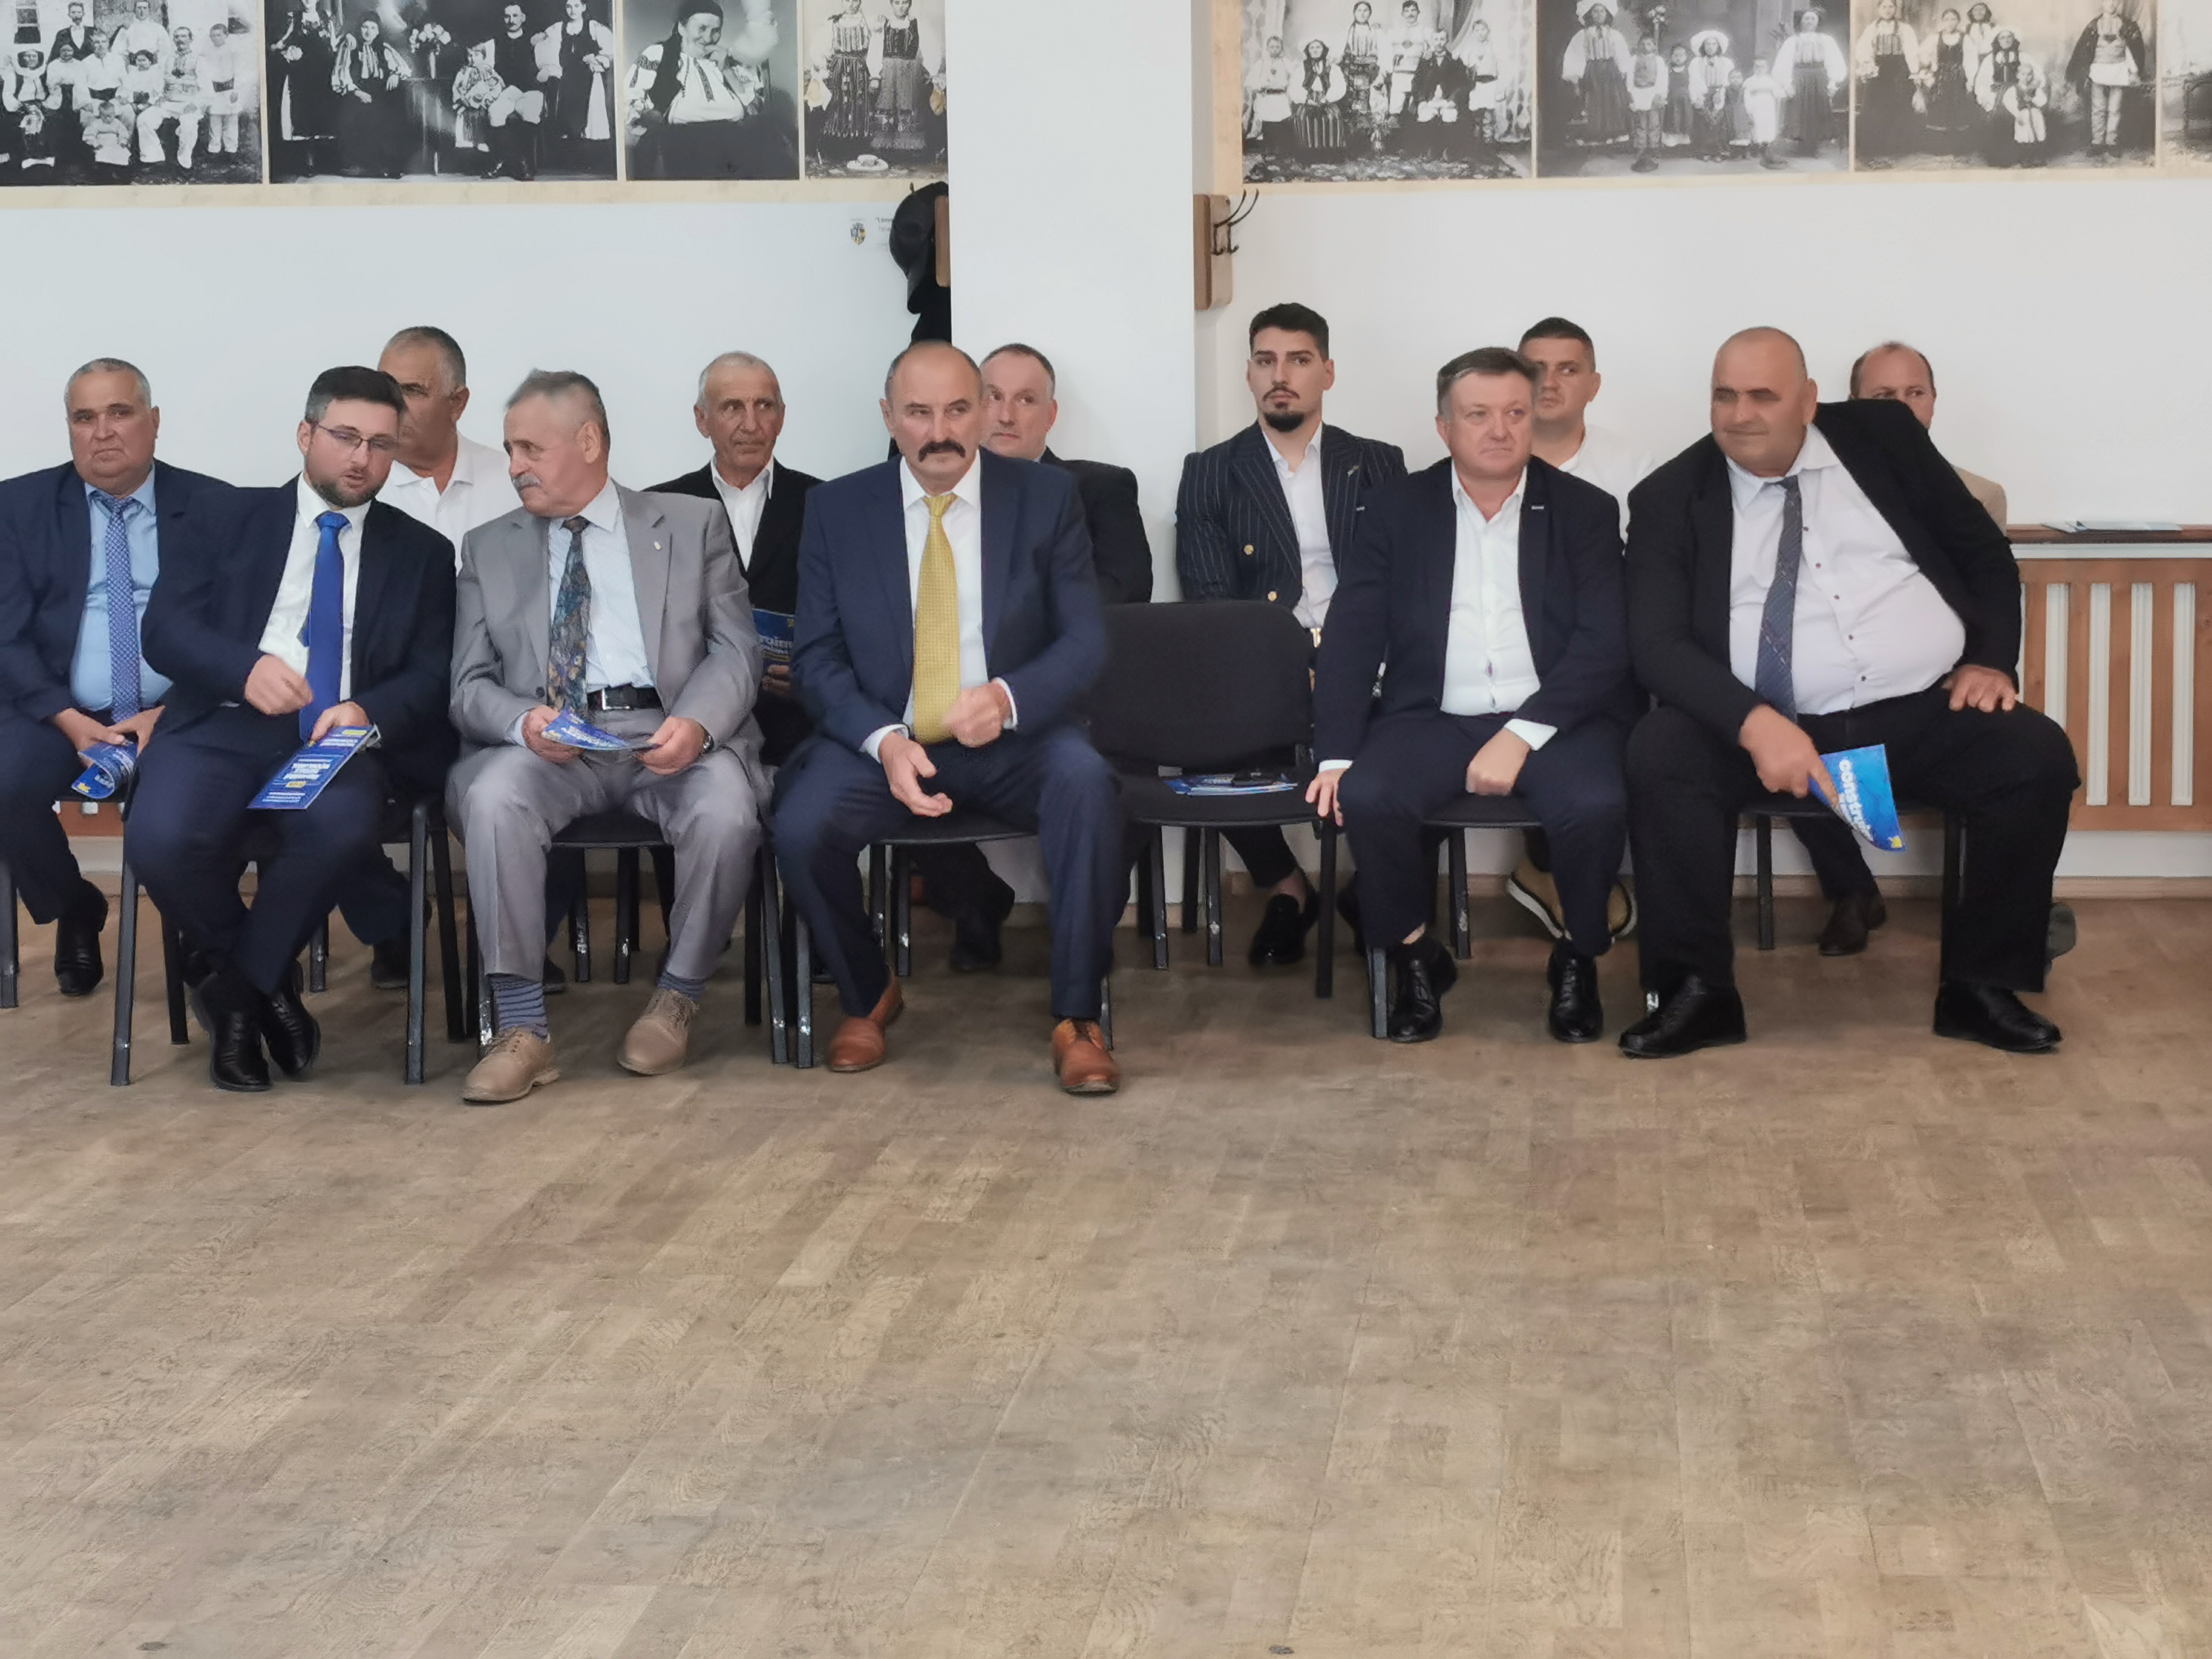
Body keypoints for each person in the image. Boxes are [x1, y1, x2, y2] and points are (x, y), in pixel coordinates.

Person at [1617, 327, 2078, 1059]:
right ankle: (1694, 993)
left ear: (1808, 400)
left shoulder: (1885, 439)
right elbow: (1656, 643)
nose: (1740, 415)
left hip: (1919, 710)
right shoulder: (1671, 495)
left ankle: (1982, 987)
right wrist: (1754, 722)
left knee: (2034, 755)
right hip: (1759, 726)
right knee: (1660, 752)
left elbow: (1982, 554)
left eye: (1763, 396)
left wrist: (1991, 660)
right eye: (1724, 395)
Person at [771, 341, 1122, 1094]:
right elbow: (818, 657)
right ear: (888, 417)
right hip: (885, 742)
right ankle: (868, 992)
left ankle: (1078, 1017)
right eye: (919, 413)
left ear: (984, 410)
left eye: (959, 410)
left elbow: (1085, 640)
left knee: (1088, 788)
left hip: (1012, 738)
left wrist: (1006, 698)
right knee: (800, 827)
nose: (940, 432)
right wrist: (883, 740)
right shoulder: (838, 510)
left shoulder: (1045, 497)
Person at [128, 366, 456, 1092]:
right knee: (159, 837)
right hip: (222, 722)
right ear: (306, 434)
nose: (361, 459)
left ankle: (235, 996)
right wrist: (243, 669)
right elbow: (166, 629)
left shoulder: (424, 553)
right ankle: (267, 984)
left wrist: (367, 710)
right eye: (345, 437)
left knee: (340, 828)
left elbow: (434, 674)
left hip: (334, 740)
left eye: (380, 444)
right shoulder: (224, 517)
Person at [448, 370, 766, 1103]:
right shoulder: (488, 547)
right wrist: (522, 722)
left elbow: (736, 650)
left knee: (727, 809)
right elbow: (467, 685)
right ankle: (521, 1028)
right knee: (494, 798)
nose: (514, 465)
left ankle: (678, 996)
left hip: (666, 732)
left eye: (529, 449)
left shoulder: (691, 524)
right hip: (552, 744)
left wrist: (697, 724)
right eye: (509, 449)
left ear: (589, 441)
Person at [1310, 347, 1634, 1045]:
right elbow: (1353, 635)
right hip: (1432, 715)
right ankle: (1416, 959)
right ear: (1444, 427)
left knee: (1595, 803)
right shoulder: (1396, 509)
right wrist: (1334, 754)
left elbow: (1605, 643)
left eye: (1515, 412)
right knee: (1369, 795)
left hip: (1554, 717)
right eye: (1478, 414)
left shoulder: (1585, 510)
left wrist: (1522, 733)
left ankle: (1578, 957)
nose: (1499, 429)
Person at [894, 340, 1155, 975]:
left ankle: (1083, 938)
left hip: (1070, 697)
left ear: (1052, 415)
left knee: (1112, 777)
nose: (1006, 414)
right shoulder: (914, 489)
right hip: (945, 697)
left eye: (1026, 400)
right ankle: (974, 901)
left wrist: (1033, 657)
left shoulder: (1097, 487)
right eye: (993, 397)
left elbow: (1125, 589)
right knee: (884, 762)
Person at [1175, 301, 1407, 967]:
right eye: (1266, 360)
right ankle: (1286, 888)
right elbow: (1213, 599)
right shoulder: (1211, 470)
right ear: (1249, 373)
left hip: (1369, 659)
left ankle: (1370, 891)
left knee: (1424, 740)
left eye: (1299, 360)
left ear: (1327, 373)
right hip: (1264, 661)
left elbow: (1404, 585)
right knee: (1202, 740)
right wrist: (1291, 659)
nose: (1282, 375)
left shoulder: (1379, 463)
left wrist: (1344, 660)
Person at [0, 361, 226, 1000]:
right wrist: (69, 720)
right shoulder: (16, 508)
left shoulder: (214, 507)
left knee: (201, 794)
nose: (102, 431)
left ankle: (203, 928)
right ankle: (75, 906)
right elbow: (6, 633)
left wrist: (174, 711)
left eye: (119, 412)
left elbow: (236, 630)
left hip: (174, 712)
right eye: (85, 417)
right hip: (59, 711)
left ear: (153, 422)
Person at [1509, 315, 1649, 943]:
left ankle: (1571, 877)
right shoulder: (1482, 457)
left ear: (1594, 384)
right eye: (1535, 368)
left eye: (1568, 369)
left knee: (1613, 735)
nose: (1550, 382)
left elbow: (1646, 584)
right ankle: (1552, 874)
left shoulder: (1638, 469)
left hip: (1604, 660)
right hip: (1502, 657)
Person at [647, 350, 820, 768]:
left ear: (782, 417)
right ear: (702, 420)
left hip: (801, 727)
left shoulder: (826, 504)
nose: (751, 423)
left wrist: (815, 674)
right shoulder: (658, 509)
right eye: (732, 407)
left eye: (764, 406)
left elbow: (857, 617)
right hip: (691, 727)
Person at [627, 0, 788, 179]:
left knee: (769, 137)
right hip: (683, 143)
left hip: (735, 141)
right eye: (702, 28)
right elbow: (631, 101)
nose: (708, 38)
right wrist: (650, 118)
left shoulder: (727, 61)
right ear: (682, 27)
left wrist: (726, 69)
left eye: (716, 30)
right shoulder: (659, 54)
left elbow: (754, 110)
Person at [2067, 0, 2144, 161]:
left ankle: (2111, 142)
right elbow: (2085, 49)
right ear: (2102, 3)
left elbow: (2130, 50)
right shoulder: (2094, 26)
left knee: (2115, 109)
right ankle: (2097, 142)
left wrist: (2134, 72)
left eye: (2116, 1)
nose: (2112, 4)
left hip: (2118, 70)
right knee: (2098, 108)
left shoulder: (2127, 25)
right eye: (2108, 1)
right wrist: (2084, 71)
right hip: (2098, 70)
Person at [333, 12, 407, 178]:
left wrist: (395, 74)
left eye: (373, 28)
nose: (369, 32)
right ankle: (365, 165)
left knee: (393, 111)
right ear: (359, 29)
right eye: (365, 27)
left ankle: (390, 165)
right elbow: (342, 73)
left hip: (379, 91)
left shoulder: (383, 47)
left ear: (378, 31)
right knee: (362, 114)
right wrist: (357, 92)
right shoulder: (350, 46)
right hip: (357, 91)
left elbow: (402, 67)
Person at [485, 1, 551, 178]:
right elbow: (487, 67)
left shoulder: (536, 40)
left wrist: (545, 71)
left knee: (528, 112)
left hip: (532, 90)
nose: (511, 20)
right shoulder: (496, 41)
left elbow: (547, 65)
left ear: (523, 18)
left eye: (515, 16)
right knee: (495, 111)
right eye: (507, 16)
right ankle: (500, 162)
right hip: (508, 90)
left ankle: (526, 164)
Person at [1774, 8, 1845, 156]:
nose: (1809, 22)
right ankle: (1801, 146)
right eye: (1806, 19)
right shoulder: (1792, 41)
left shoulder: (1826, 40)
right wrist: (1787, 84)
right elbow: (1784, 63)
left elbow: (1834, 60)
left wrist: (1833, 82)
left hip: (1819, 77)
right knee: (1798, 110)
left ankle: (1814, 147)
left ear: (1818, 22)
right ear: (1800, 21)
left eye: (1813, 19)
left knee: (1817, 110)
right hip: (1799, 77)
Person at [1854, 0, 1921, 158]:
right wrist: (1869, 65)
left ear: (1895, 9)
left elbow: (1911, 51)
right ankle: (1874, 147)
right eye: (1884, 7)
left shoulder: (1904, 28)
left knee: (1897, 107)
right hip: (1878, 70)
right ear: (1878, 9)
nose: (1888, 10)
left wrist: (1914, 72)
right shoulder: (1872, 28)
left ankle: (1896, 148)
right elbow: (1864, 50)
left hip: (1899, 70)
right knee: (1875, 108)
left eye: (1891, 7)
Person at [1561, 1, 1631, 146]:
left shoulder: (1614, 35)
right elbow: (1575, 56)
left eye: (1602, 11)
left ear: (1607, 14)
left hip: (1611, 73)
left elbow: (1622, 55)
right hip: (1592, 73)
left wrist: (1624, 72)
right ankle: (1595, 135)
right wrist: (1575, 77)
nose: (1599, 15)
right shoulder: (1583, 35)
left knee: (1612, 102)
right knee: (1593, 103)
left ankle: (1613, 133)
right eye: (1595, 12)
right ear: (1589, 14)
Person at [201, 18, 246, 159]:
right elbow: (204, 73)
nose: (215, 38)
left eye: (218, 35)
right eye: (213, 35)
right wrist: (208, 90)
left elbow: (239, 72)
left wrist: (236, 90)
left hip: (229, 90)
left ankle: (231, 150)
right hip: (214, 91)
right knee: (215, 121)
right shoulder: (207, 52)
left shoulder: (233, 51)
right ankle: (214, 149)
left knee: (231, 121)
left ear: (226, 35)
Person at [1624, 33, 1666, 170]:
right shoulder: (1633, 60)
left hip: (1653, 92)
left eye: (1649, 44)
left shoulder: (1659, 60)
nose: (1645, 47)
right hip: (1638, 92)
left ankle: (1654, 148)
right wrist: (1630, 95)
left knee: (1654, 123)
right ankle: (1641, 148)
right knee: (1640, 123)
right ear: (1638, 46)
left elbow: (1662, 78)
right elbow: (1629, 78)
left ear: (1654, 46)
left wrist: (1660, 94)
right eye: (1642, 44)